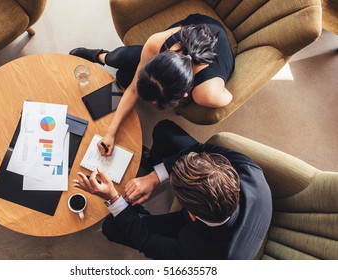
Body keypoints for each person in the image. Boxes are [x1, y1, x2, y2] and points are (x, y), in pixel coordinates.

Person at [73, 120, 272, 260]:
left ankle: (133, 208)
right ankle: (151, 166)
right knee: (164, 129)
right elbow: (202, 149)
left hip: (211, 239)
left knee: (112, 227)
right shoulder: (250, 171)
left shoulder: (198, 255)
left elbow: (147, 241)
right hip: (230, 217)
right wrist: (155, 176)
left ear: (190, 214)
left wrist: (113, 197)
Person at [70, 14, 235, 156]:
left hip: (217, 49)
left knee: (123, 76)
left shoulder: (207, 93)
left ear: (184, 94)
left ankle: (107, 58)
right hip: (199, 24)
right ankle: (101, 56)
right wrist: (110, 133)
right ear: (157, 59)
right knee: (123, 58)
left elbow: (229, 97)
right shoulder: (156, 43)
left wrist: (213, 87)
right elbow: (135, 88)